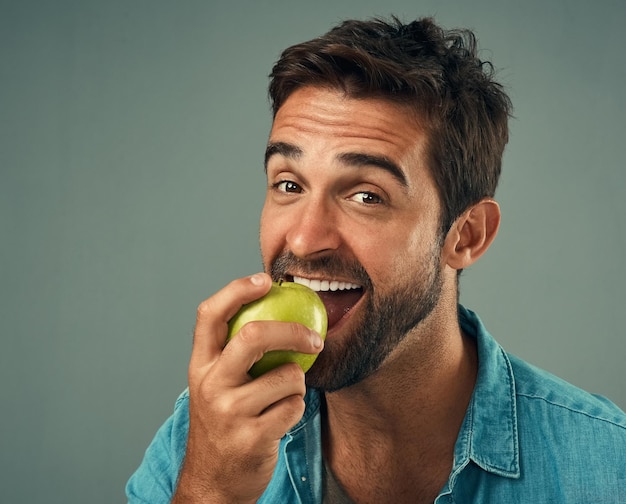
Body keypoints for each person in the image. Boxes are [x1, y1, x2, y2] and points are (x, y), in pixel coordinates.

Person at [126, 16, 626, 503]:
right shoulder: (205, 442)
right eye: (289, 184)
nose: (302, 239)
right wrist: (212, 492)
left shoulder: (610, 466)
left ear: (466, 236)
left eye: (366, 196)